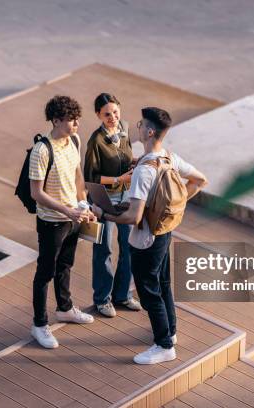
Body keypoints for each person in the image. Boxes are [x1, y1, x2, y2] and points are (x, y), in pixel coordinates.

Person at [92, 107, 208, 364]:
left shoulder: (145, 171)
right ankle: (170, 332)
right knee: (163, 283)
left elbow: (133, 217)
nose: (138, 127)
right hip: (165, 232)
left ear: (149, 131)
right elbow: (200, 180)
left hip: (146, 240)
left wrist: (103, 213)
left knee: (148, 291)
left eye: (141, 124)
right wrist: (173, 207)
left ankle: (164, 345)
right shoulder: (168, 157)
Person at [29, 95, 97, 349]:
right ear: (56, 120)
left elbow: (78, 176)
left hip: (73, 216)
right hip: (52, 222)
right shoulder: (41, 151)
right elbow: (37, 193)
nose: (76, 124)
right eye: (71, 120)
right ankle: (39, 324)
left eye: (77, 118)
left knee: (66, 265)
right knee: (45, 272)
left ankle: (65, 308)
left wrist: (83, 203)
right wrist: (67, 211)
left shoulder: (74, 141)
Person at [84, 93, 142, 317]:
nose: (112, 117)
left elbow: (125, 156)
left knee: (129, 247)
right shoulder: (95, 141)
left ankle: (123, 295)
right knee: (104, 249)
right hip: (104, 198)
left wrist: (135, 162)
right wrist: (118, 179)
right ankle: (102, 299)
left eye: (115, 112)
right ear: (98, 115)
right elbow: (91, 177)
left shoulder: (124, 128)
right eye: (107, 114)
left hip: (126, 195)